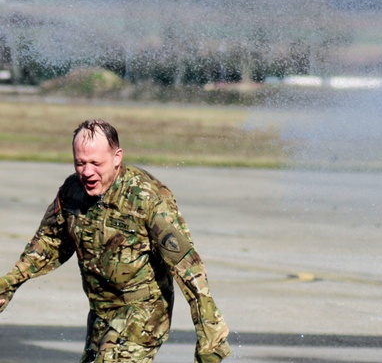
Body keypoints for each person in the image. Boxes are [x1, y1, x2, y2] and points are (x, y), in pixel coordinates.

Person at [0, 119, 231, 363]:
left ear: (117, 157)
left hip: (143, 310)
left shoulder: (145, 197)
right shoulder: (72, 192)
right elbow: (49, 242)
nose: (87, 172)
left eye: (96, 163)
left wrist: (209, 331)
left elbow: (187, 265)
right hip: (102, 311)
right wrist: (10, 283)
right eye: (80, 163)